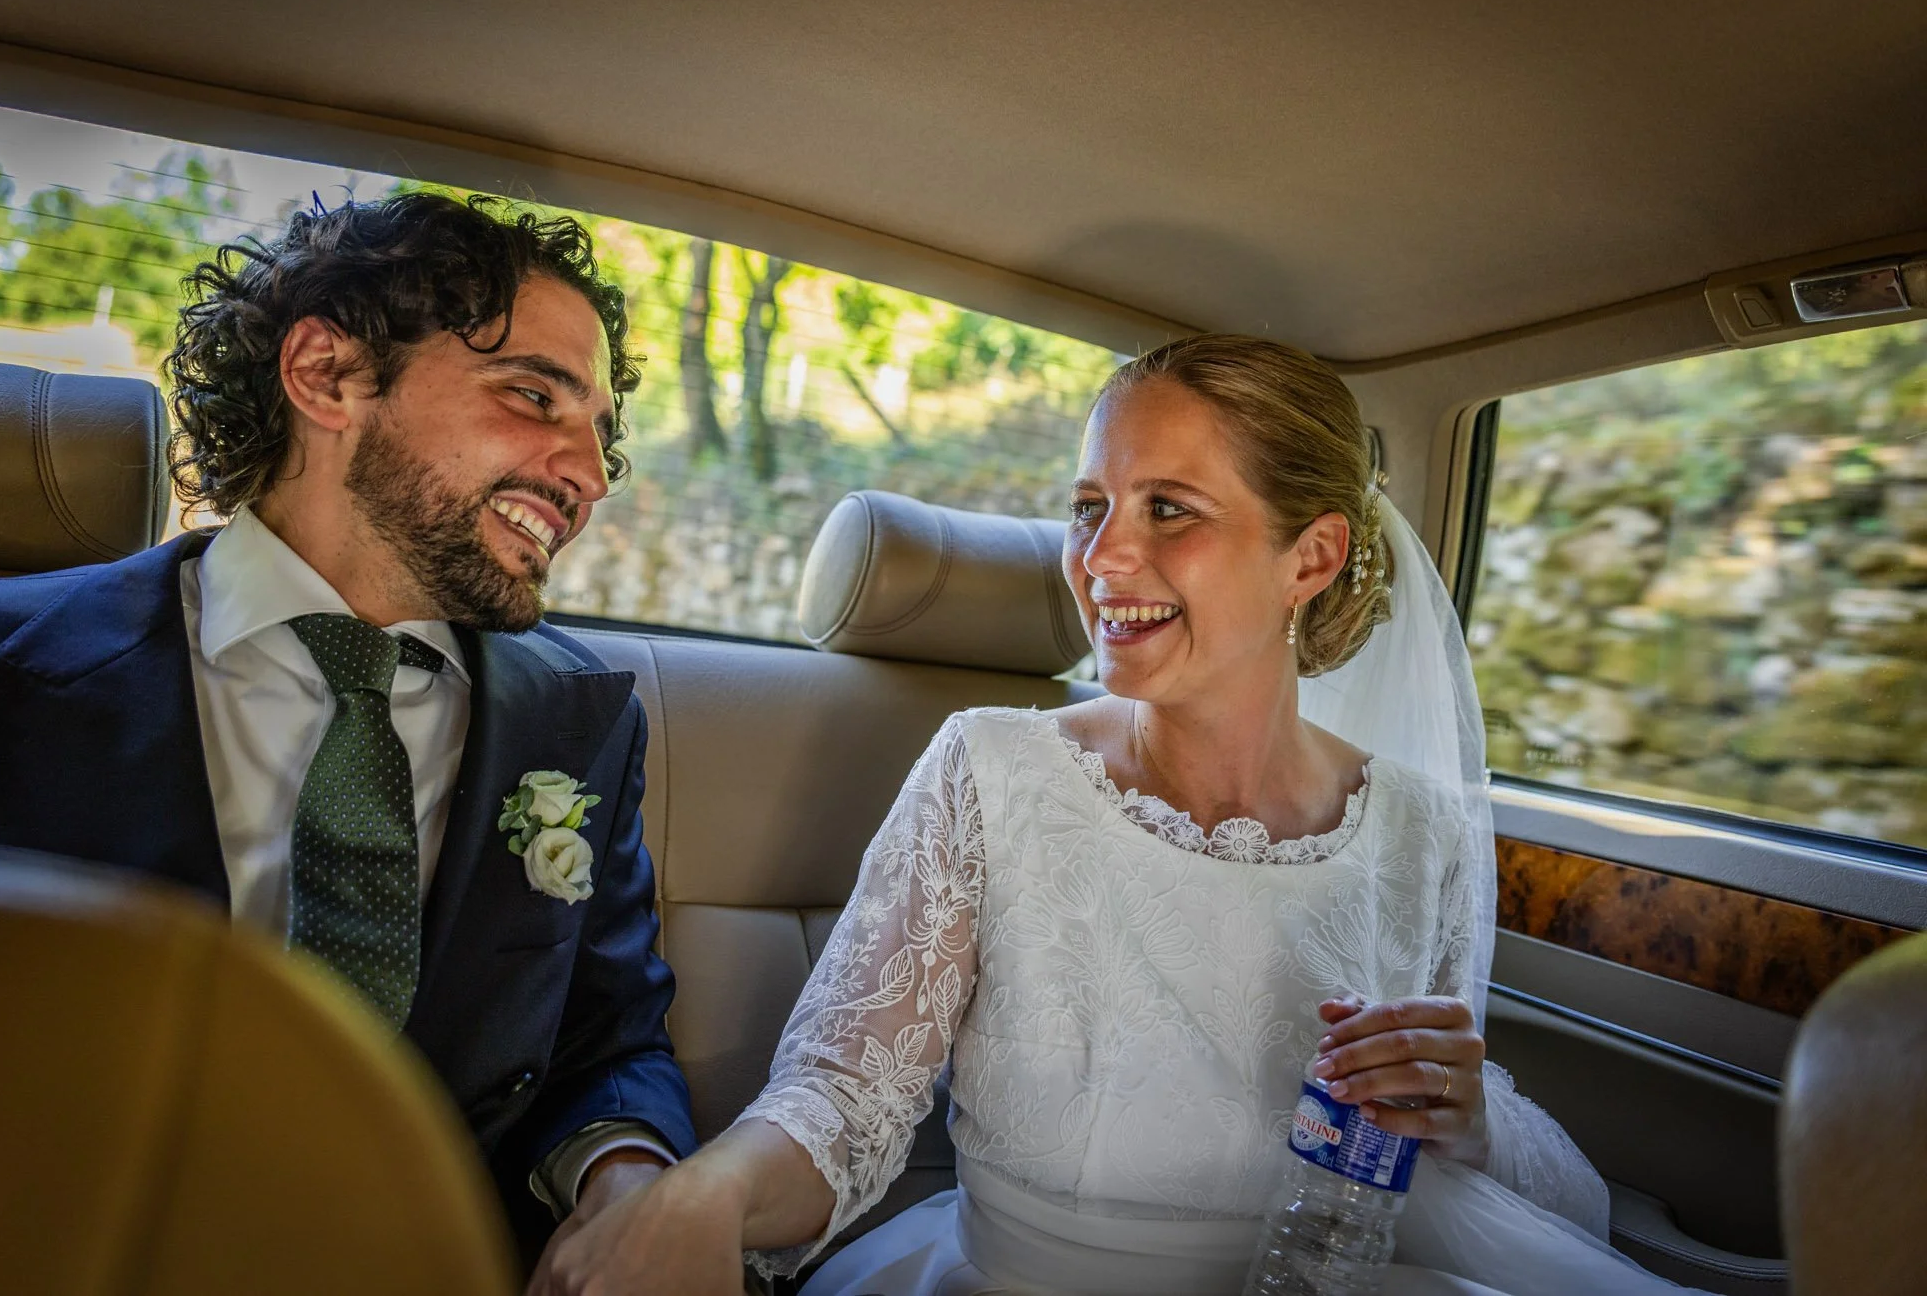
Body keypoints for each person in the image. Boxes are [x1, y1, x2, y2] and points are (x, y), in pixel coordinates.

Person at [545, 334, 1701, 1294]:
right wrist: (708, 1190)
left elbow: (1485, 1138)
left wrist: (1463, 1116)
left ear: (1310, 556)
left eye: (1169, 509)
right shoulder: (988, 770)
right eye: (1088, 506)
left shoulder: (1420, 830)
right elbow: (842, 1100)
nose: (1103, 557)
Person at [0, 193, 695, 1288]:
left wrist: (630, 1186)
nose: (588, 474)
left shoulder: (579, 722)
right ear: (326, 376)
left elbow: (610, 1044)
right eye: (532, 396)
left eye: (597, 431)